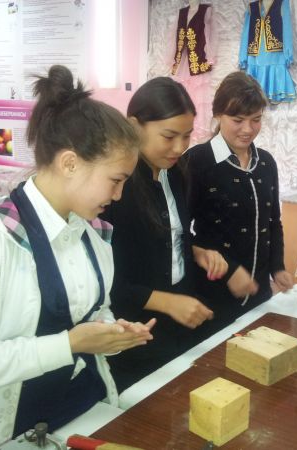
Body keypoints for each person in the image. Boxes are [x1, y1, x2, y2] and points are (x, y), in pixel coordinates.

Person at [0, 65, 155, 448]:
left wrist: (110, 332)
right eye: (116, 180)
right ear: (69, 163)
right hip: (8, 432)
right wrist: (68, 345)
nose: (118, 196)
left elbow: (94, 311)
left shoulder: (93, 233)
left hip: (82, 410)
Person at [100, 77, 228, 392]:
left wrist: (194, 250)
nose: (180, 147)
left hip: (179, 322)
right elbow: (108, 280)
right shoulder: (116, 188)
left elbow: (169, 234)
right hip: (135, 331)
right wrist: (168, 302)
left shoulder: (177, 173)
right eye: (169, 136)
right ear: (134, 126)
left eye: (187, 136)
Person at [185, 71, 293, 331]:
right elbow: (180, 233)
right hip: (213, 293)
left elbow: (273, 222)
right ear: (218, 115)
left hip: (259, 292)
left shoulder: (266, 163)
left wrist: (277, 268)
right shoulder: (197, 161)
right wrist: (229, 269)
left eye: (256, 119)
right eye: (238, 120)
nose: (248, 129)